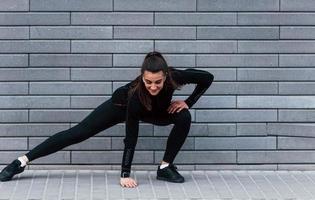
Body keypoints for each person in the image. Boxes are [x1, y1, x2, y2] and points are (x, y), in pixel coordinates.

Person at [0, 51, 214, 188]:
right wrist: (125, 174)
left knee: (184, 116)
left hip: (156, 110)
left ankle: (165, 167)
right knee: (78, 133)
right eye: (148, 82)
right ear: (142, 77)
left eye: (158, 81)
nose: (153, 86)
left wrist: (188, 102)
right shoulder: (134, 96)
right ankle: (21, 161)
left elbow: (207, 78)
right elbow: (131, 136)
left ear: (166, 75)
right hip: (120, 107)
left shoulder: (176, 76)